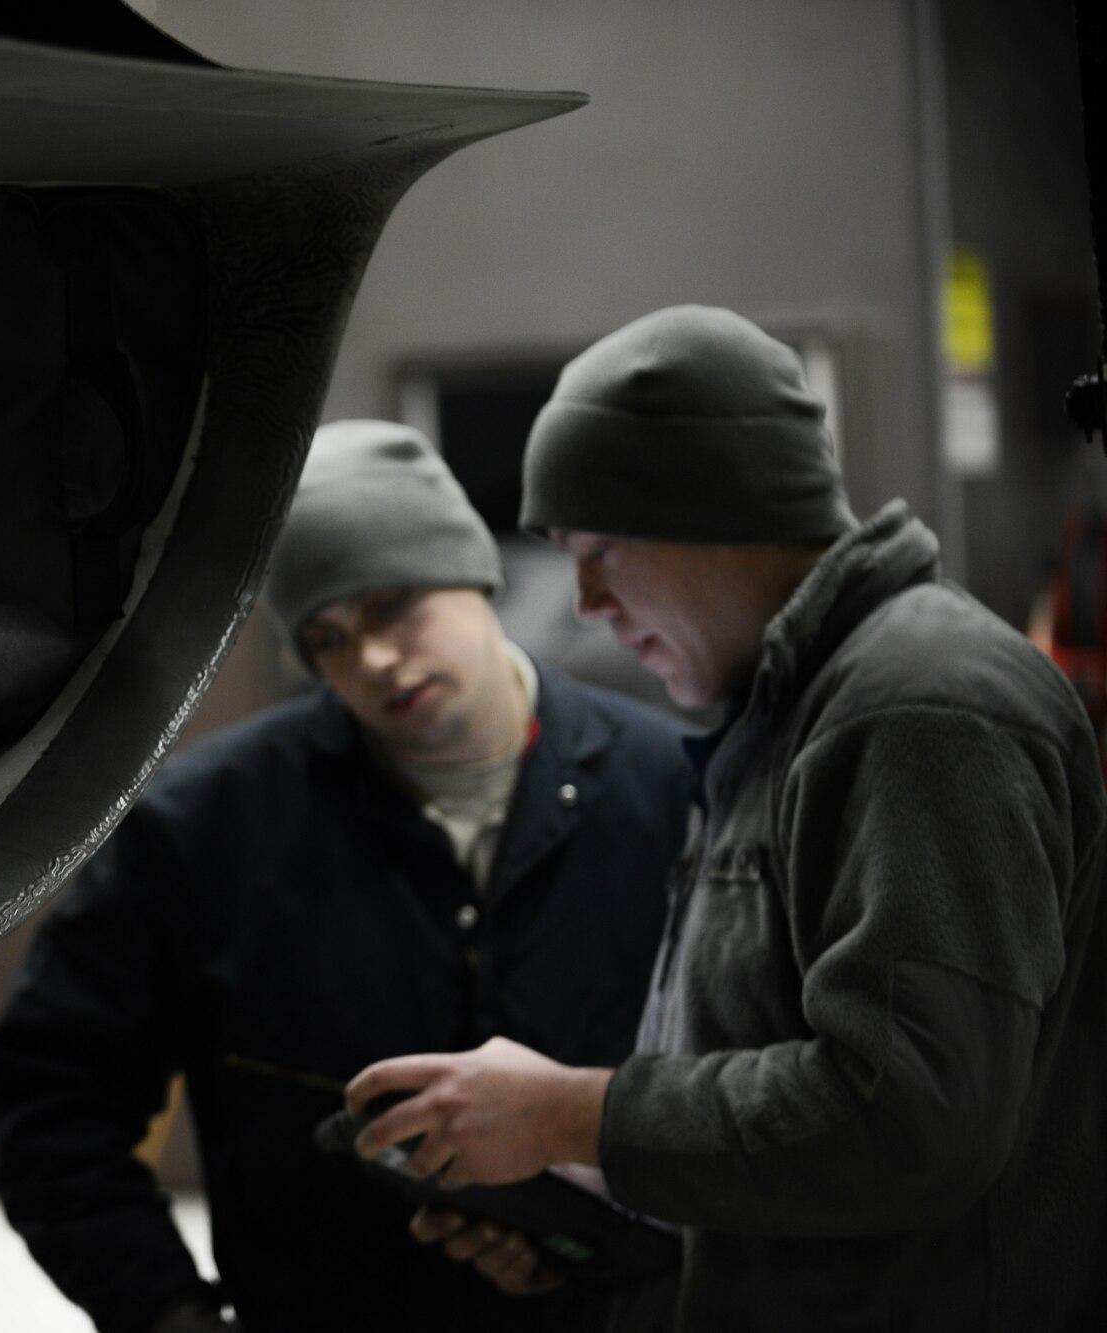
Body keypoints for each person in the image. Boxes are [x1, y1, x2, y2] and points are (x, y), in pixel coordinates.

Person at [345, 306, 1107, 1330]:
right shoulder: (779, 711)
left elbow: (910, 1121)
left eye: (599, 548)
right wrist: (600, 1213)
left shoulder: (919, 704)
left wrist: (570, 1112)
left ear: (715, 512)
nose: (583, 604)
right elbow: (786, 1124)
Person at [0, 420, 695, 1333]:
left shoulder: (676, 792)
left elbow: (753, 1098)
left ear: (474, 573)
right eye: (328, 636)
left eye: (395, 605)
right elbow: (51, 1104)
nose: (374, 659)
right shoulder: (205, 827)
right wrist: (164, 1310)